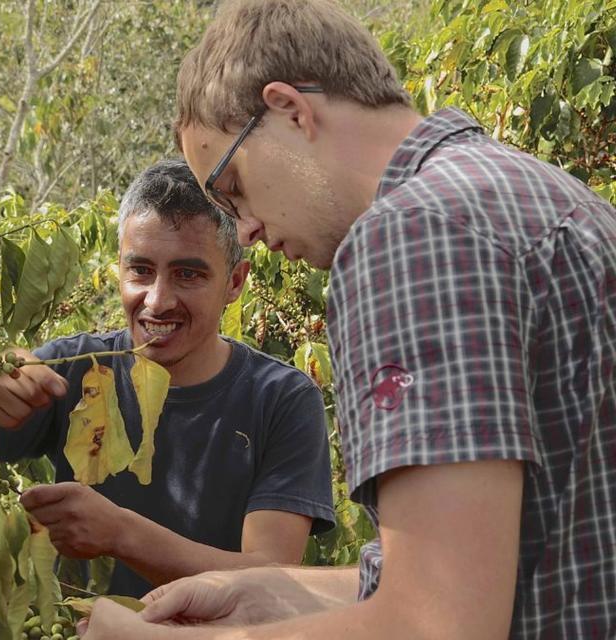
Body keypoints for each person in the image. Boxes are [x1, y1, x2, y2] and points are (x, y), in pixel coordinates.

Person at [78, 0, 616, 638]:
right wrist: (274, 590)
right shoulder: (543, 193)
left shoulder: (409, 235)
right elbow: (508, 566)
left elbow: (440, 625)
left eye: (232, 187)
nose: (244, 229)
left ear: (290, 110)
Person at [0, 158, 335, 598]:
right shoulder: (75, 368)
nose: (158, 300)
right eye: (141, 270)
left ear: (235, 282)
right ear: (119, 268)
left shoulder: (282, 399)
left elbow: (272, 581)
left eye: (188, 274)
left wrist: (121, 534)